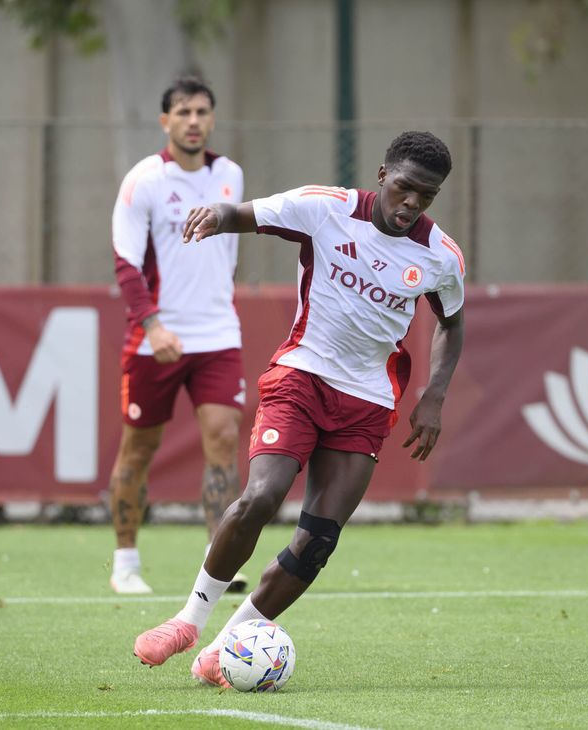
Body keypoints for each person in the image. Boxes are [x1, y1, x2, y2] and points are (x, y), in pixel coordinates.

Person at [132, 131, 466, 686]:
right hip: (301, 377)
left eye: (426, 196)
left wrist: (434, 396)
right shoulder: (326, 208)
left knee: (318, 542)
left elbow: (452, 325)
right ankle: (187, 622)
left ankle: (224, 648)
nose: (412, 203)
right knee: (260, 497)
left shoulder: (441, 255)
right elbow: (246, 214)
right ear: (383, 175)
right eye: (405, 188)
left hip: (367, 400)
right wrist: (215, 215)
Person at [108, 76, 247, 595]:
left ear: (213, 119)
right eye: (183, 112)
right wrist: (152, 324)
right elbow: (126, 263)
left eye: (202, 112)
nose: (193, 121)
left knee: (224, 438)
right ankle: (125, 562)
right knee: (139, 448)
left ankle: (218, 562)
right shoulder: (144, 180)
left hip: (218, 334)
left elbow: (229, 253)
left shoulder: (230, 175)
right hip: (156, 339)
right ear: (165, 121)